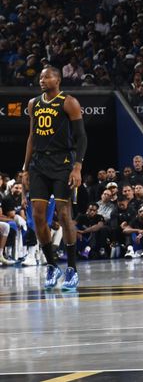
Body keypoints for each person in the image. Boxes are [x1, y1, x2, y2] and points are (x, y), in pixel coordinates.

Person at [21, 67, 87, 290]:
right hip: (39, 164)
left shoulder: (69, 102)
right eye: (40, 77)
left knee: (64, 213)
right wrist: (25, 169)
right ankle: (51, 265)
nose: (42, 80)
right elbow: (31, 136)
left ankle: (71, 268)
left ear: (58, 79)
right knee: (38, 216)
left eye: (47, 76)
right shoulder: (33, 104)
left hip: (63, 164)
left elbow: (81, 137)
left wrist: (77, 167)